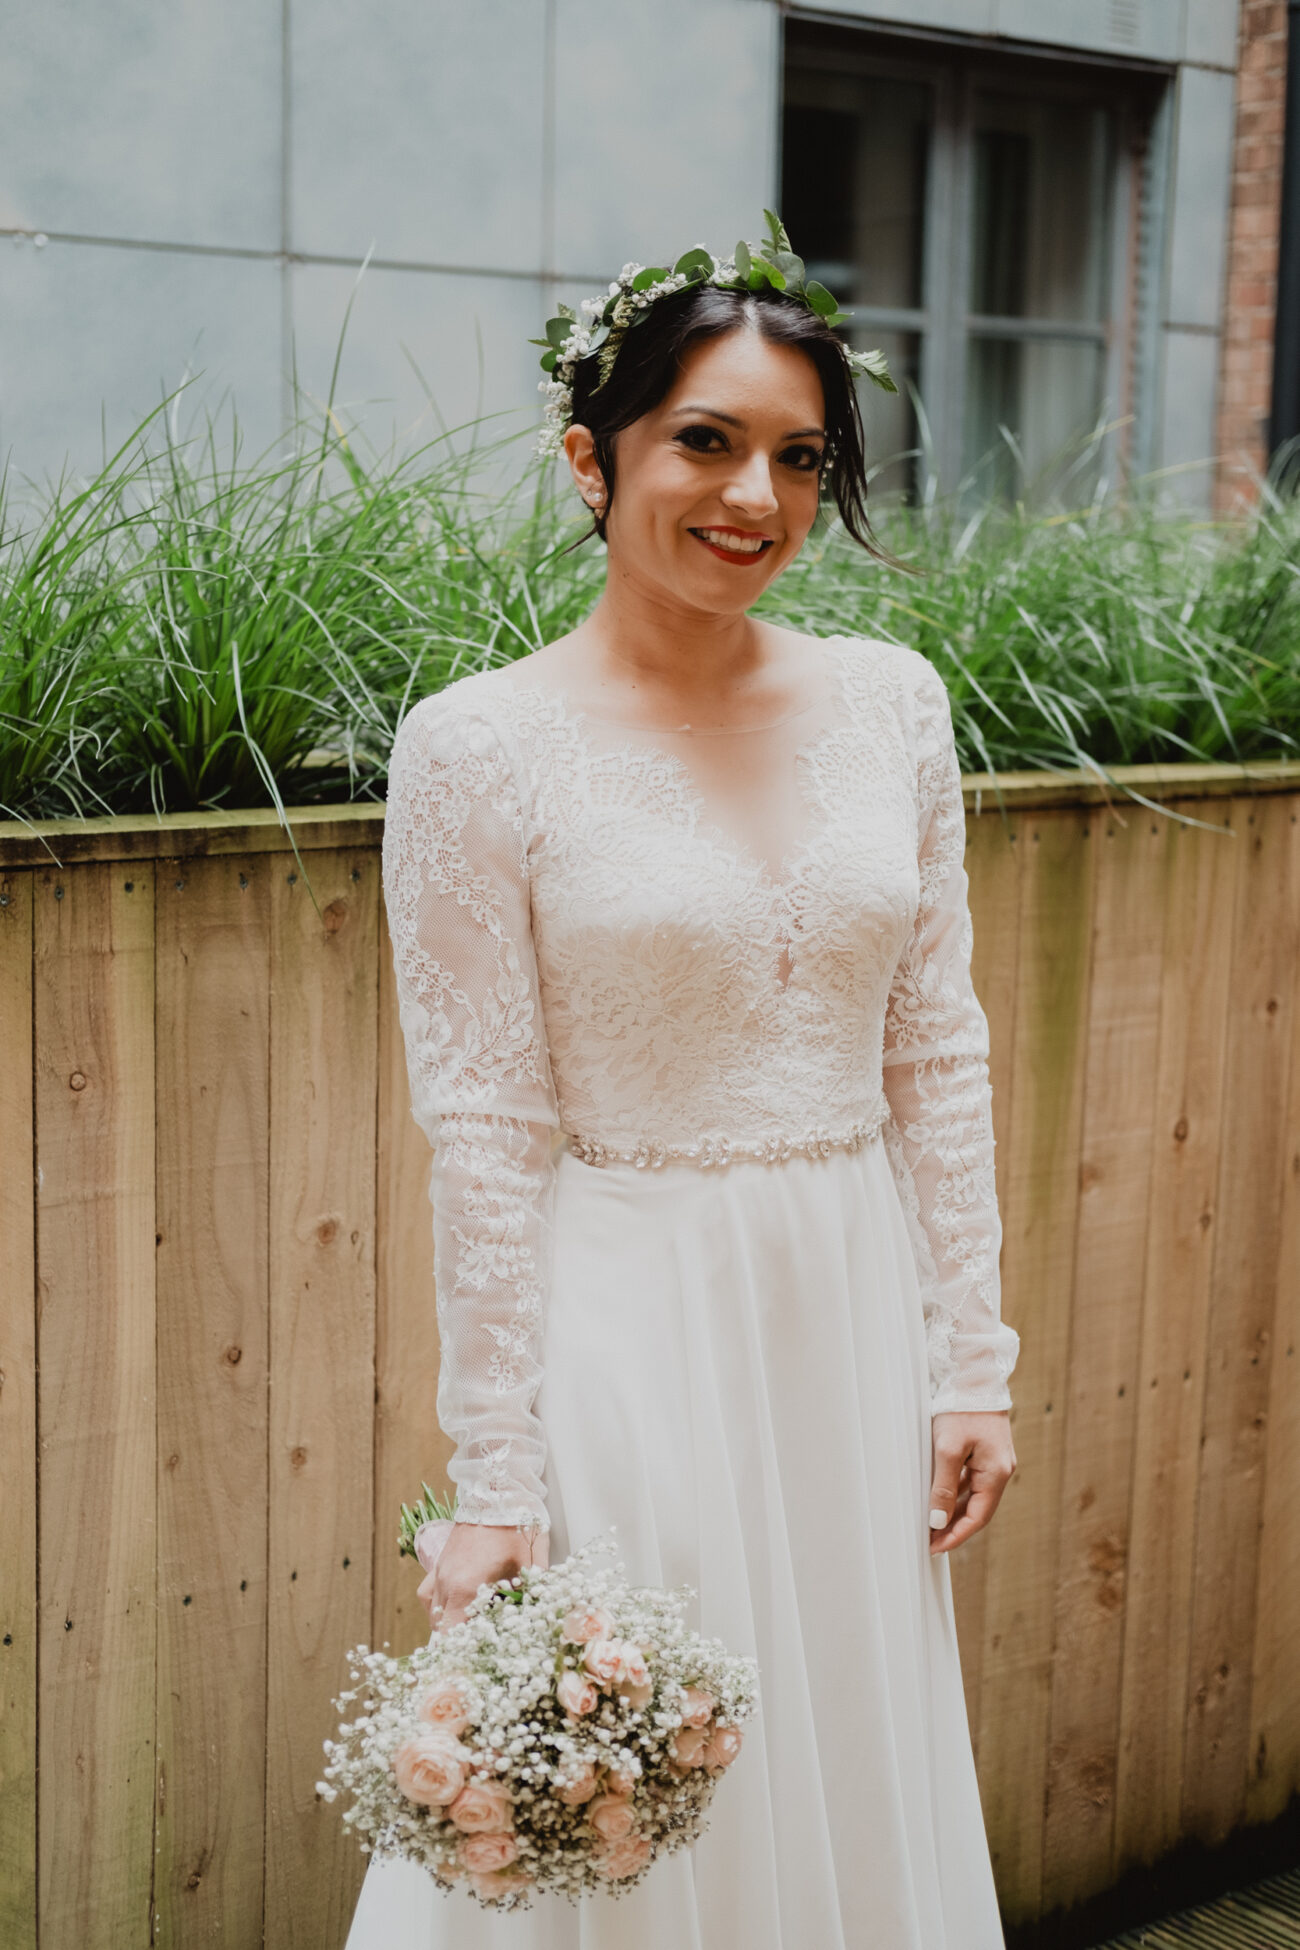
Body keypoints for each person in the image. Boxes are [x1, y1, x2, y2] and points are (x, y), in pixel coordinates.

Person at [347, 223, 1020, 1949]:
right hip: (628, 1321)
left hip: (848, 1309)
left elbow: (934, 1046)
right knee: (636, 1773)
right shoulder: (478, 746)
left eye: (801, 455)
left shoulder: (896, 708)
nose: (757, 497)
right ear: (594, 456)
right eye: (705, 441)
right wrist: (492, 1467)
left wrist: (972, 1359)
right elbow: (485, 1125)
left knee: (841, 1736)